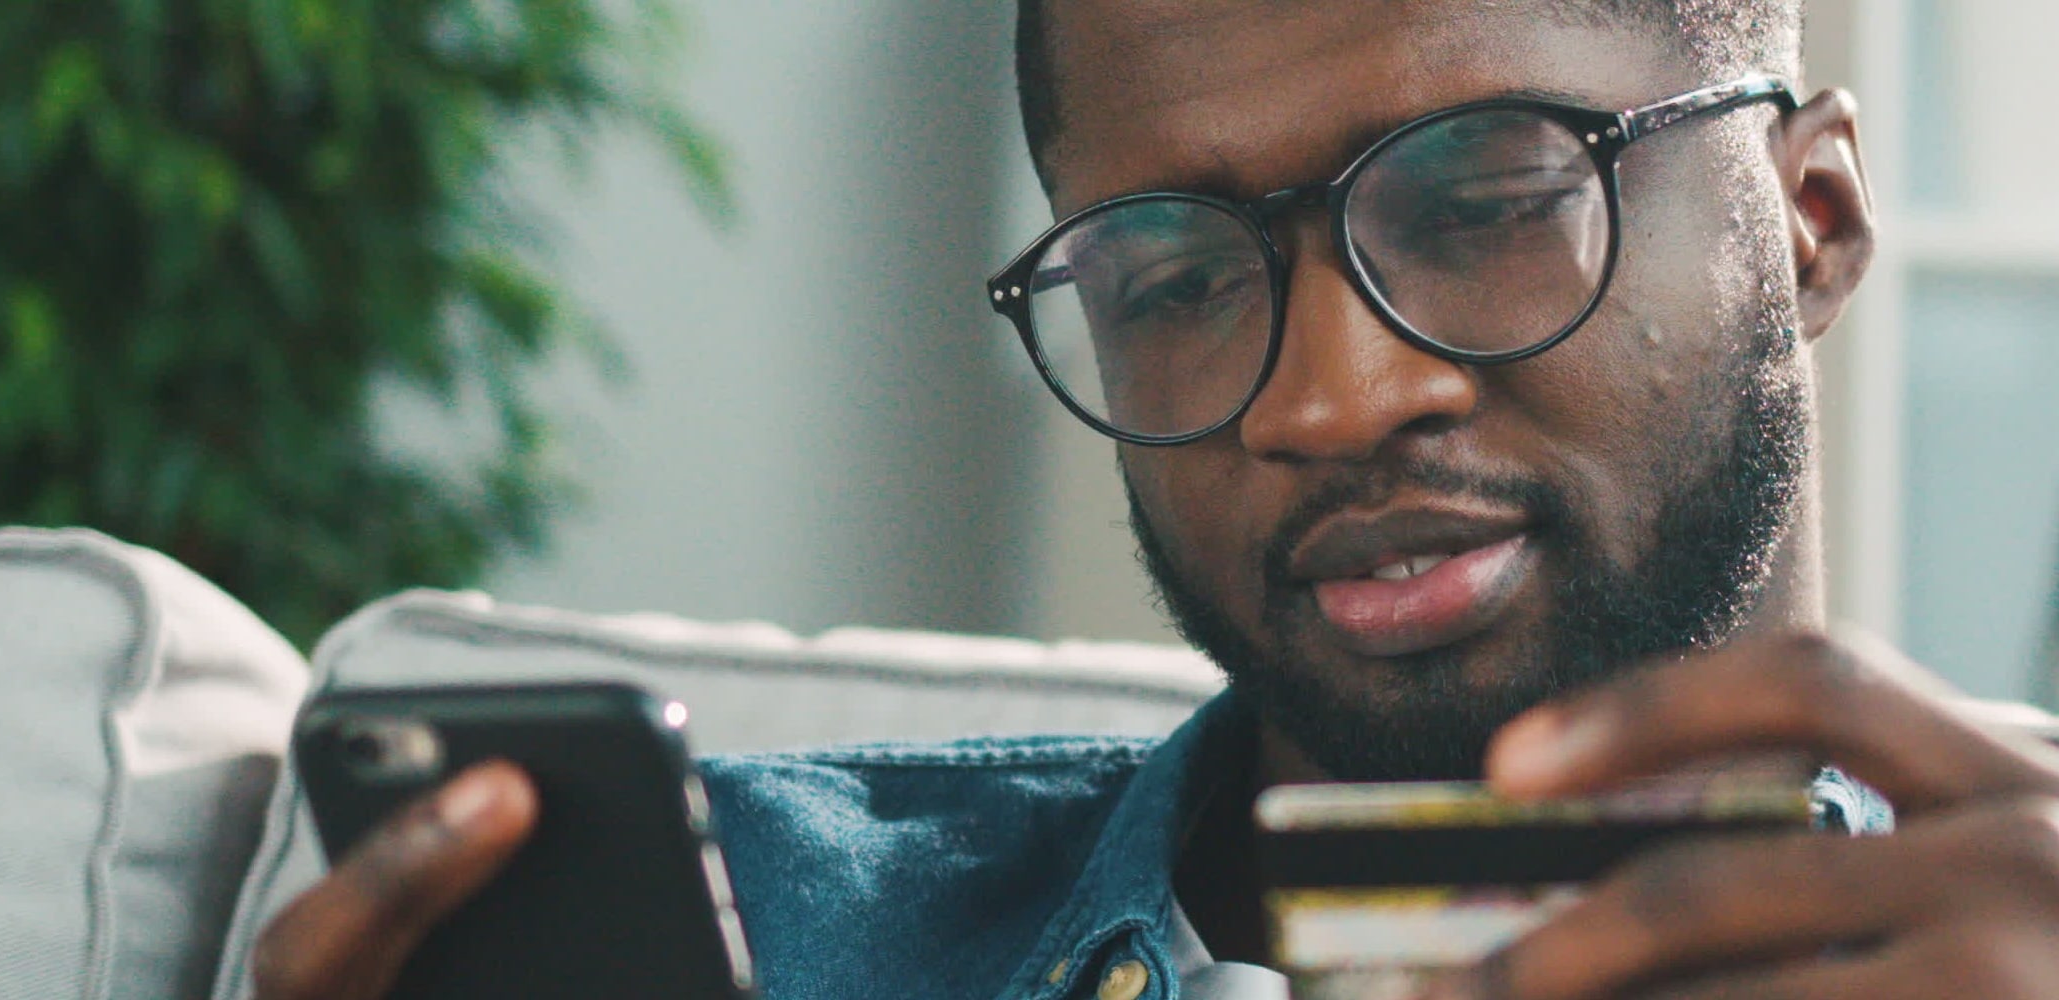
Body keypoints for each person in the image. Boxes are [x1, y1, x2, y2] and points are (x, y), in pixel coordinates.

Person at [251, 2, 2059, 997]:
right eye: (1176, 279)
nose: (1329, 399)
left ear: (1810, 219)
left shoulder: (1998, 943)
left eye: (1493, 198)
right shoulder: (764, 939)